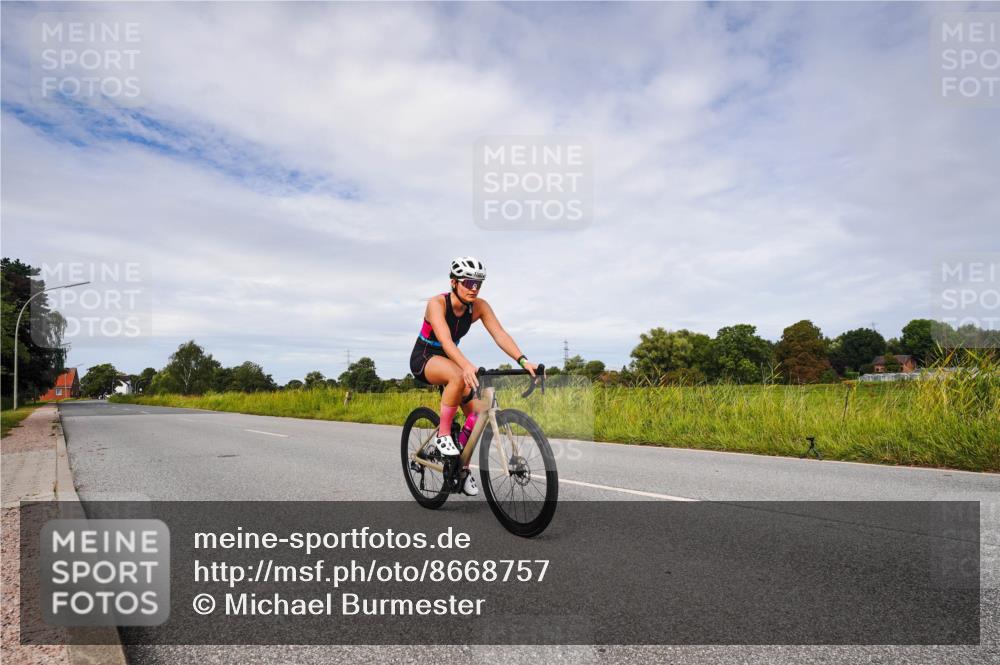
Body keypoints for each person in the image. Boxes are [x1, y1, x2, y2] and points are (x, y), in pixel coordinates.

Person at [410, 256, 538, 496]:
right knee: (459, 375)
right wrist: (466, 366)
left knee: (477, 414)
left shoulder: (479, 306)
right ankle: (443, 435)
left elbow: (499, 333)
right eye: (468, 282)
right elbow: (446, 341)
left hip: (451, 359)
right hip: (425, 357)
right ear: (454, 283)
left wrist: (522, 359)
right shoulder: (437, 304)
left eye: (478, 283)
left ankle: (462, 469)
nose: (474, 288)